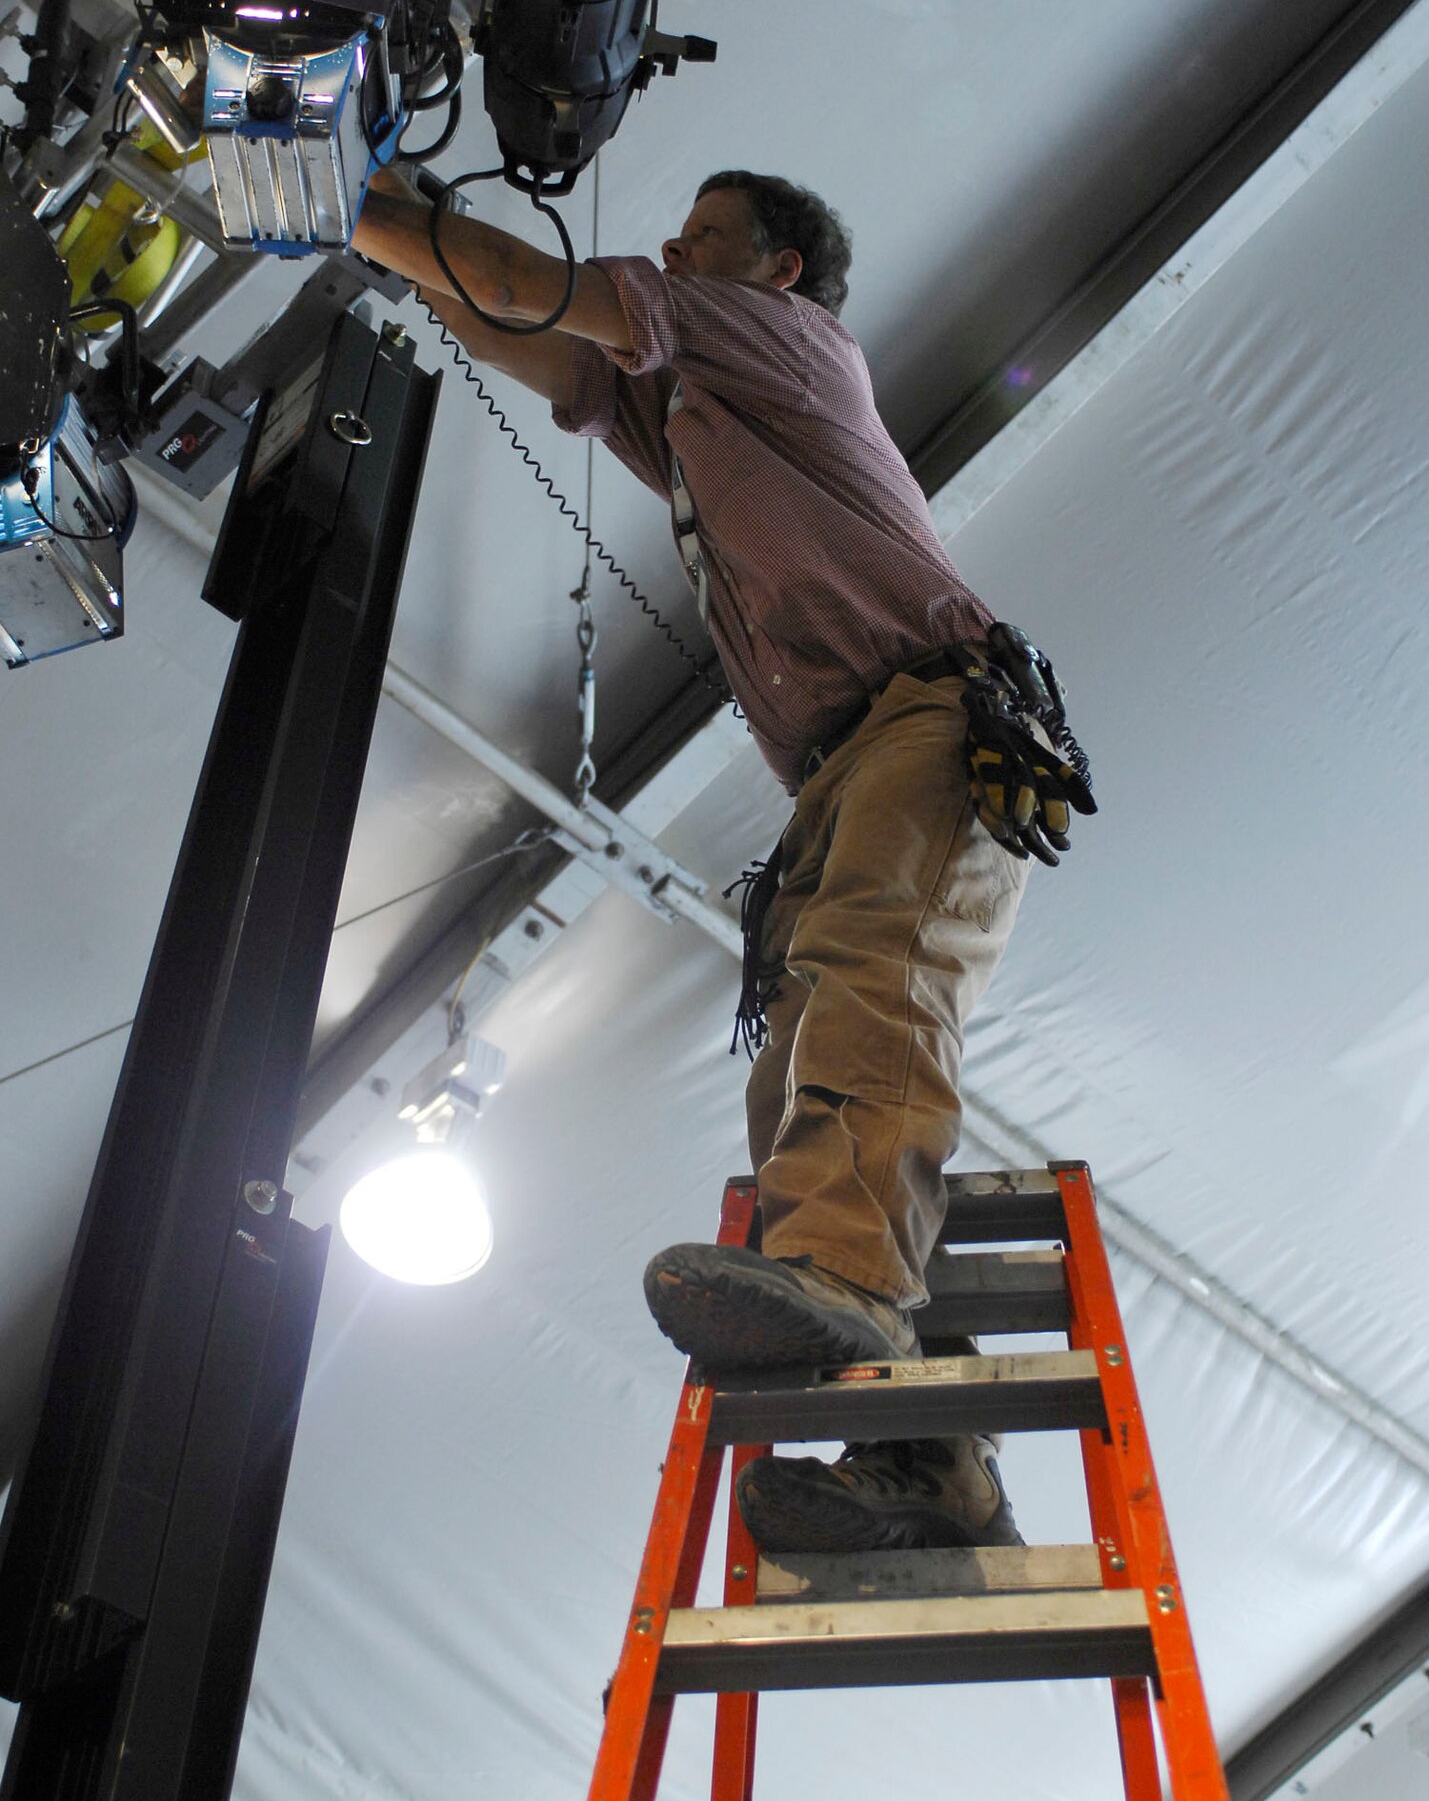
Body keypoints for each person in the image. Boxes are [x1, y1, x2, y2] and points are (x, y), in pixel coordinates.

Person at [350, 167, 1084, 1554]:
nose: (677, 251)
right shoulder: (693, 397)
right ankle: (923, 1453)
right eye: (677, 240)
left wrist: (362, 203)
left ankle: (853, 1285)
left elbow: (521, 282)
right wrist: (415, 249)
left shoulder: (778, 340)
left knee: (874, 972)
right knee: (795, 1064)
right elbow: (532, 338)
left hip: (934, 708)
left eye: (705, 237)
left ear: (781, 269)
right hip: (852, 757)